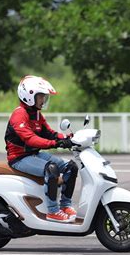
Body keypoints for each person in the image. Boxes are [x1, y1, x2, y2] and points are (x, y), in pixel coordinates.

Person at [5, 75, 78, 223]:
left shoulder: (36, 114)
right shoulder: (20, 114)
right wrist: (55, 143)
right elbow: (30, 139)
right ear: (29, 96)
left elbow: (49, 133)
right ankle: (52, 211)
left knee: (71, 167)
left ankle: (65, 206)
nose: (43, 100)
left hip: (34, 155)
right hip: (19, 158)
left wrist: (67, 137)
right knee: (52, 169)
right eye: (41, 96)